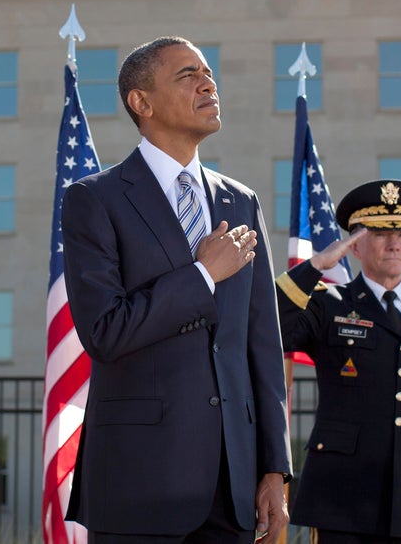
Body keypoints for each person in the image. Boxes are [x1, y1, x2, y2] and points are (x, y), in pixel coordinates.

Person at [60, 36, 293, 543]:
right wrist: (203, 276)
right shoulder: (94, 200)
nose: (208, 83)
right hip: (138, 485)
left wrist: (275, 469)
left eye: (208, 73)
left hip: (232, 487)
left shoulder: (242, 200)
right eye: (187, 75)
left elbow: (262, 346)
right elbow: (104, 331)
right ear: (140, 102)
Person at [274, 179, 401, 543]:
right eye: (379, 232)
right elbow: (266, 326)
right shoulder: (329, 304)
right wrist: (315, 265)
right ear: (355, 246)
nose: (394, 242)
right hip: (345, 500)